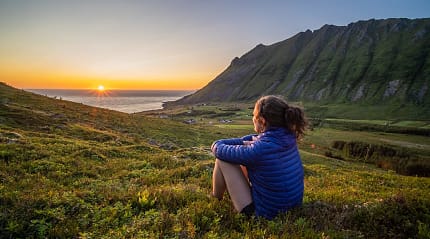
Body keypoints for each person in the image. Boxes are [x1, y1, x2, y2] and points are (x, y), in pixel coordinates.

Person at [211, 95, 307, 219]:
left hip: (264, 214)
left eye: (253, 115)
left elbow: (219, 149)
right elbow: (253, 139)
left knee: (222, 160)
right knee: (240, 160)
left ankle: (215, 198)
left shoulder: (260, 149)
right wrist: (245, 142)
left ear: (262, 121)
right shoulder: (288, 136)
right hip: (291, 207)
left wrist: (217, 143)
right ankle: (217, 197)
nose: (252, 118)